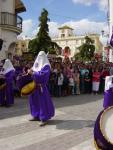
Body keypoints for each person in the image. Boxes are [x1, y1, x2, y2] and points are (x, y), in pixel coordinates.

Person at [28, 51, 55, 126]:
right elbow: (33, 71)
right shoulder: (36, 65)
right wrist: (29, 72)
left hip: (41, 87)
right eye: (38, 56)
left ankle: (44, 118)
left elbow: (42, 76)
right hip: (34, 87)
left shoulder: (46, 66)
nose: (39, 57)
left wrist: (33, 73)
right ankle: (36, 115)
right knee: (34, 102)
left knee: (42, 103)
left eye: (41, 56)